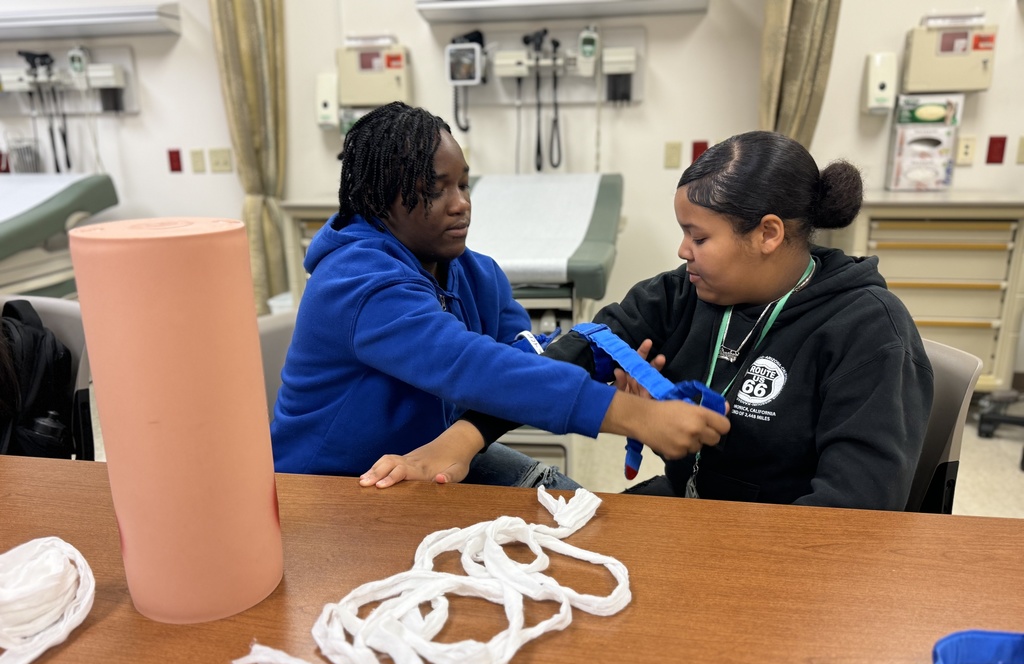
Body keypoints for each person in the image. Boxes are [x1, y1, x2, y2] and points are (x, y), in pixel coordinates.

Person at [360, 130, 935, 512]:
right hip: (687, 509)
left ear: (767, 233)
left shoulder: (868, 329)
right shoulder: (678, 295)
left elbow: (855, 508)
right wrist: (463, 439)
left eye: (699, 236)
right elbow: (566, 356)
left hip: (787, 555)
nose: (683, 252)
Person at [271, 102, 730, 485]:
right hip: (329, 486)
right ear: (379, 200)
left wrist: (610, 368)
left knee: (569, 503)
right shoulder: (355, 282)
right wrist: (632, 416)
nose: (461, 203)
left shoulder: (475, 273)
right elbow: (471, 366)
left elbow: (523, 357)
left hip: (420, 461)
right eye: (436, 190)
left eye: (464, 183)